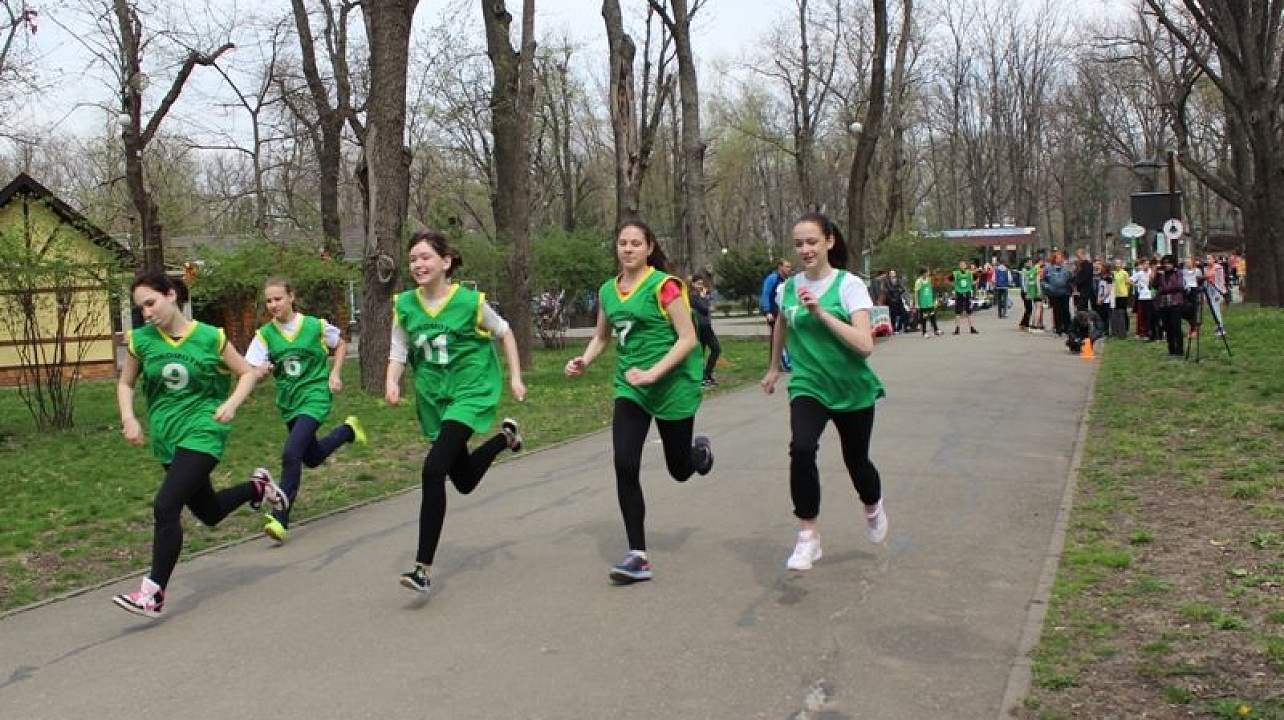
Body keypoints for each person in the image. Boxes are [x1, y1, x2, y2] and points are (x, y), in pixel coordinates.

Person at [112, 271, 288, 618]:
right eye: (140, 308)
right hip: (167, 440)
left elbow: (247, 373)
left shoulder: (210, 337)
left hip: (204, 434)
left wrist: (232, 404)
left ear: (172, 294)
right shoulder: (141, 341)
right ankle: (257, 487)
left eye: (151, 303)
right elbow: (126, 383)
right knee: (209, 512)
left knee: (165, 506)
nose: (146, 313)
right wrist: (129, 418)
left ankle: (153, 593)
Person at [565, 219, 714, 584]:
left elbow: (688, 339)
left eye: (635, 243)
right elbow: (602, 337)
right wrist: (585, 359)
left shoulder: (664, 287)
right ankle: (638, 555)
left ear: (649, 248)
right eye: (622, 243)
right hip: (631, 387)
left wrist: (654, 373)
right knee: (624, 463)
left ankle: (699, 454)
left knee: (679, 470)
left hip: (672, 384)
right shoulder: (607, 291)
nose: (628, 249)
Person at [388, 231, 526, 596]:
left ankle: (422, 569)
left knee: (433, 470)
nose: (418, 264)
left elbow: (506, 333)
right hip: (433, 399)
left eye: (425, 257)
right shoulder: (404, 304)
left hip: (470, 392)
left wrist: (514, 376)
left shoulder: (470, 302)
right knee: (462, 480)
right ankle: (505, 437)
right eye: (413, 258)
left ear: (445, 262)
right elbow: (399, 349)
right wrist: (392, 382)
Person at [760, 212, 888, 572]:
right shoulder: (787, 287)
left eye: (812, 242)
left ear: (829, 241)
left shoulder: (849, 286)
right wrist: (773, 368)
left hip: (851, 388)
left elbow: (865, 345)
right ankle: (808, 535)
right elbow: (782, 325)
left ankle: (873, 505)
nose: (805, 249)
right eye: (799, 243)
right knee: (801, 448)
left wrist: (822, 314)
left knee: (857, 462)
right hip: (808, 385)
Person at [245, 277, 366, 544]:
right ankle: (348, 431)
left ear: (291, 296)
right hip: (290, 402)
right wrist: (261, 372)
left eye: (278, 299)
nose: (273, 305)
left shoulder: (314, 326)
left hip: (315, 397)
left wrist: (334, 373)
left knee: (291, 453)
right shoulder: (264, 335)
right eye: (268, 301)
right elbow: (249, 370)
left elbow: (341, 344)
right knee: (310, 458)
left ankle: (281, 517)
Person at [760, 258, 793, 370]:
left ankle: (777, 362)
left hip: (782, 312)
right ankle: (782, 363)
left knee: (780, 337)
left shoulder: (785, 279)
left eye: (790, 267)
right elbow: (765, 294)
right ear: (780, 267)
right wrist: (767, 311)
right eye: (787, 267)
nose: (789, 269)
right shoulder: (772, 278)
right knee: (778, 337)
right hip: (773, 313)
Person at [689, 274, 722, 387]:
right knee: (713, 349)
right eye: (698, 284)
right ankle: (703, 377)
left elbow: (711, 307)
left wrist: (706, 300)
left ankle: (705, 375)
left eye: (702, 284)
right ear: (693, 284)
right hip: (701, 327)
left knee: (712, 350)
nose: (700, 286)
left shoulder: (699, 295)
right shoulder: (693, 295)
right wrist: (704, 298)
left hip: (705, 326)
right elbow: (705, 308)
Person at [1153, 254, 1187, 358]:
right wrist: (1156, 275)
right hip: (1163, 304)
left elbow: (1179, 286)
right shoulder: (1161, 275)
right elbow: (1154, 286)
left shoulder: (1178, 273)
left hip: (1175, 303)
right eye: (1165, 263)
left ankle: (1180, 350)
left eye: (1169, 263)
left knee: (1176, 327)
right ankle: (1171, 350)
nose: (1167, 265)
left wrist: (1164, 290)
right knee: (1167, 328)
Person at [1042, 252, 1072, 336]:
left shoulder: (1066, 269)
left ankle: (1068, 328)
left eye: (1061, 257)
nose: (1060, 259)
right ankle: (1058, 329)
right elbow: (1043, 280)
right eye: (1058, 258)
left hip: (1065, 293)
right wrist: (1048, 287)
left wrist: (1070, 289)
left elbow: (1070, 279)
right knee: (1056, 311)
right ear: (1054, 259)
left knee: (1066, 311)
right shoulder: (1048, 269)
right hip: (1054, 293)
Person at [951, 260, 978, 335]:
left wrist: (971, 284)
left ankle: (972, 328)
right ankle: (957, 329)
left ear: (966, 266)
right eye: (961, 265)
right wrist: (955, 286)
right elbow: (949, 279)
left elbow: (977, 279)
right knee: (958, 311)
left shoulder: (970, 273)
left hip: (967, 293)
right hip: (959, 293)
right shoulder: (956, 273)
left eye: (963, 265)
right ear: (959, 266)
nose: (962, 266)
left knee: (969, 311)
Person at [913, 267, 942, 337]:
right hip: (923, 302)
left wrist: (935, 300)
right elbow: (916, 293)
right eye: (927, 272)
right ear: (924, 273)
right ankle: (924, 332)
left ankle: (936, 330)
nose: (928, 273)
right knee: (924, 317)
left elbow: (932, 289)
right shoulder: (918, 281)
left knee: (932, 316)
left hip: (930, 302)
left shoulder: (929, 279)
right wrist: (916, 303)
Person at [1131, 259, 1155, 341]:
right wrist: (1137, 285)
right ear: (1142, 265)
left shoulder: (1151, 272)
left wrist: (1152, 278)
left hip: (1150, 296)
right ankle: (1141, 332)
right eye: (1144, 264)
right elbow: (1129, 280)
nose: (1146, 266)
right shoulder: (1139, 273)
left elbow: (1154, 283)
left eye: (1148, 264)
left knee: (1149, 315)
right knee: (1142, 315)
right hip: (1142, 297)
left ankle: (1149, 332)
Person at [1110, 259, 1131, 339]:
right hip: (1115, 295)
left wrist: (1126, 292)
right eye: (1116, 263)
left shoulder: (1124, 273)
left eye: (1118, 263)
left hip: (1123, 294)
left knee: (1123, 311)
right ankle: (1118, 328)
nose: (1117, 265)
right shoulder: (1113, 273)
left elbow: (1128, 284)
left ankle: (1126, 328)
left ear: (1121, 264)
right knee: (1117, 312)